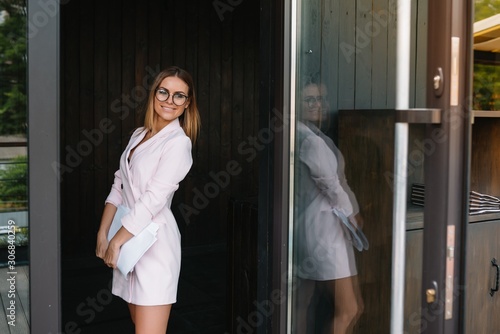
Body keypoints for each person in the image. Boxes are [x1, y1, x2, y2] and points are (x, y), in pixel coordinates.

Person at [95, 66, 200, 334]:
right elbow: (119, 184)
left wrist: (116, 241)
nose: (169, 100)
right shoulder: (139, 135)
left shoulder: (178, 143)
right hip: (129, 242)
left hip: (153, 245)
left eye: (179, 96)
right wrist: (103, 232)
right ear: (154, 94)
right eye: (164, 92)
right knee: (137, 324)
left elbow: (153, 199)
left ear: (187, 104)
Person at [294, 80, 365, 334]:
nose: (317, 105)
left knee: (301, 303)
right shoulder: (310, 141)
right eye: (309, 100)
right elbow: (332, 186)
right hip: (325, 230)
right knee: (349, 309)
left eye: (320, 99)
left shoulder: (303, 135)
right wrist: (352, 215)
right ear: (296, 104)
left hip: (307, 226)